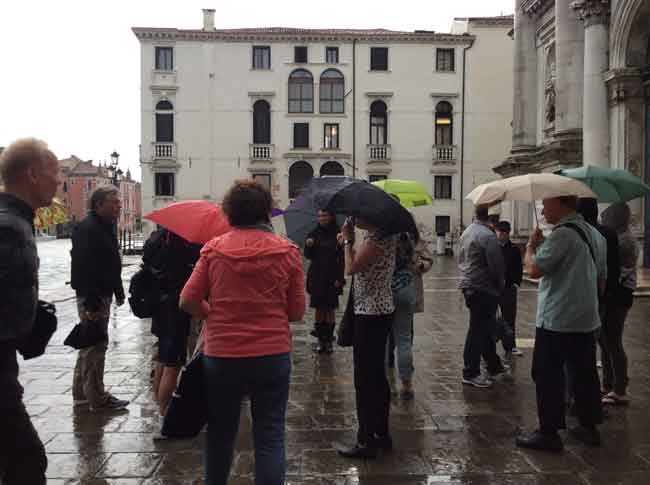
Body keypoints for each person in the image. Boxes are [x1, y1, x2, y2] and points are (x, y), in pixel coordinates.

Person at [179, 180, 305, 485]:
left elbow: (187, 301)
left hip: (223, 355)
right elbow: (297, 312)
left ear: (230, 212)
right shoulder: (288, 252)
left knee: (220, 433)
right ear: (265, 211)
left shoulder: (213, 250)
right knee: (270, 435)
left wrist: (215, 315)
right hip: (272, 353)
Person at [516, 196, 607, 453]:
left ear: (562, 204)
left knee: (546, 374)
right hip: (586, 318)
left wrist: (532, 247)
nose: (543, 210)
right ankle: (589, 426)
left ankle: (548, 432)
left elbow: (534, 270)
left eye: (546, 204)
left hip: (557, 318)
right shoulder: (593, 234)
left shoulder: (562, 235)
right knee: (585, 372)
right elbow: (601, 278)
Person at [0, 138, 60, 484]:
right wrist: (26, 326)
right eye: (55, 172)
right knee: (27, 462)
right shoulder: (9, 228)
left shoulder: (13, 222)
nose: (58, 181)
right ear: (33, 174)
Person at [336, 218, 397, 459]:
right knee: (377, 375)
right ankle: (381, 433)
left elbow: (350, 269)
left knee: (364, 378)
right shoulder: (384, 235)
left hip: (370, 313)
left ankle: (366, 440)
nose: (353, 218)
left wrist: (348, 242)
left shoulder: (376, 239)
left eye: (357, 214)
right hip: (379, 309)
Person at [70, 185, 129, 411]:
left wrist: (119, 291)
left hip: (101, 294)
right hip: (92, 297)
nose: (119, 206)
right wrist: (92, 304)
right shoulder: (88, 229)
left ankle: (83, 395)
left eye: (119, 202)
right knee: (95, 346)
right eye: (114, 202)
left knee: (89, 344)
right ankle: (97, 398)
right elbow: (85, 268)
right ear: (98, 204)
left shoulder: (105, 227)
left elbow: (110, 264)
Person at [143, 228, 200, 417]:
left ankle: (158, 403)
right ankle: (164, 412)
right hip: (176, 309)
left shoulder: (156, 239)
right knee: (172, 365)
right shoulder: (184, 245)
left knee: (162, 358)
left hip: (159, 305)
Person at [458, 206, 507, 388]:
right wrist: (501, 284)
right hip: (483, 287)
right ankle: (470, 371)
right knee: (478, 330)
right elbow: (496, 266)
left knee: (485, 328)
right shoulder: (487, 236)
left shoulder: (468, 231)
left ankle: (493, 365)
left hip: (469, 285)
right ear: (492, 219)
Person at [600, 202, 639, 405]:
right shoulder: (620, 237)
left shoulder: (625, 241)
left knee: (613, 340)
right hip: (616, 292)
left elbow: (619, 271)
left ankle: (619, 387)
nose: (604, 220)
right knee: (605, 340)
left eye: (607, 217)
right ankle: (608, 383)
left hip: (621, 294)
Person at [304, 210, 344, 353]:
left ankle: (329, 341)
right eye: (320, 215)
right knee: (319, 309)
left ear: (331, 217)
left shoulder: (338, 233)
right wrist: (308, 245)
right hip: (317, 275)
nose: (322, 218)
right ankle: (320, 341)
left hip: (332, 275)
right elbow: (308, 256)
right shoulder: (313, 233)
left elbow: (341, 258)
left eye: (325, 215)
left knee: (330, 308)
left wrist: (340, 278)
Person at [494, 220, 523, 359]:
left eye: (505, 232)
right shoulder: (492, 247)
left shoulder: (514, 249)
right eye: (500, 231)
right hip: (493, 287)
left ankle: (510, 346)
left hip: (509, 288)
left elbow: (519, 267)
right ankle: (490, 344)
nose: (502, 234)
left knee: (509, 317)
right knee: (492, 317)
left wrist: (516, 282)